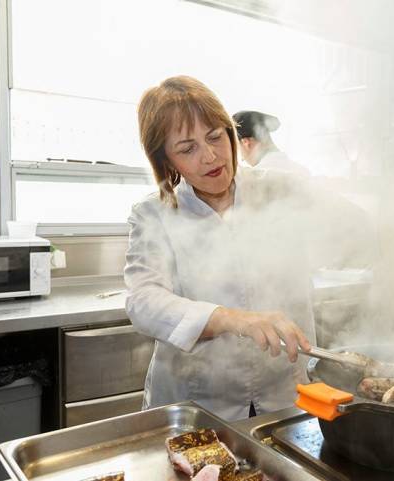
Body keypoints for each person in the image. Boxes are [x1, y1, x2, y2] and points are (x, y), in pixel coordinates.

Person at [124, 76, 352, 421]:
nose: (211, 156)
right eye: (188, 149)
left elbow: (351, 229)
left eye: (216, 136)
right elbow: (143, 301)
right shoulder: (154, 214)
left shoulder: (280, 190)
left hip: (282, 397)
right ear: (166, 159)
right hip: (197, 404)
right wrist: (232, 319)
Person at [232, 110, 310, 176]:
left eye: (239, 149)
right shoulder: (302, 171)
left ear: (246, 143)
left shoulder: (254, 180)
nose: (243, 158)